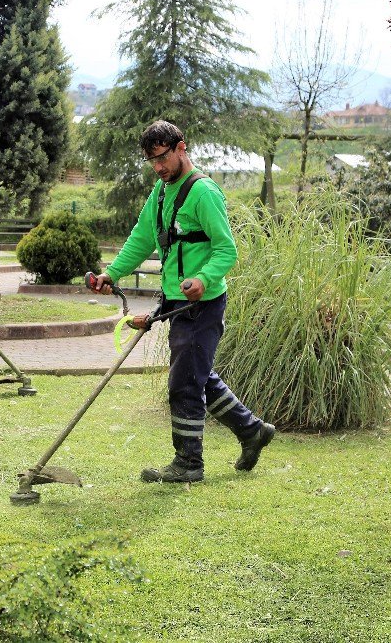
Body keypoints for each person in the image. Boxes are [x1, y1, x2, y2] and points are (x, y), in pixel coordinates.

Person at [90, 120, 275, 483]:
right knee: (198, 376)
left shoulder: (203, 193)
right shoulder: (160, 193)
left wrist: (203, 279)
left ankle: (189, 464)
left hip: (203, 305)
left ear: (181, 147)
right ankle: (252, 431)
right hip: (176, 303)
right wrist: (112, 273)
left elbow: (226, 250)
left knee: (185, 381)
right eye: (152, 161)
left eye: (162, 158)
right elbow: (142, 239)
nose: (158, 167)